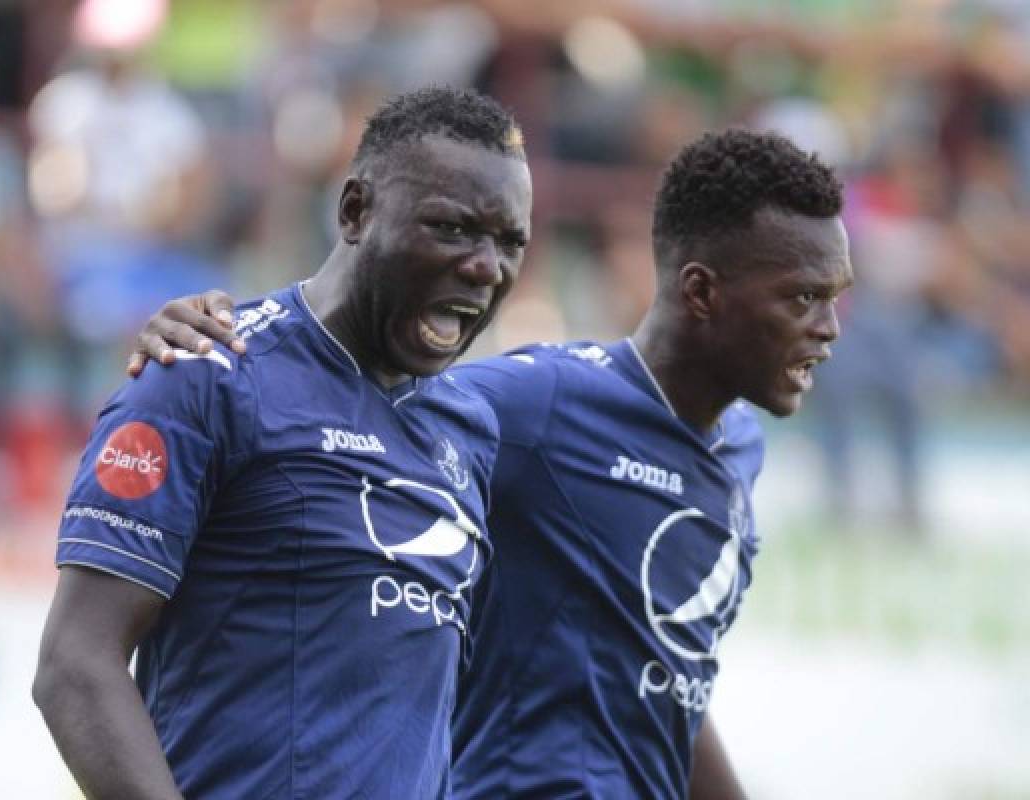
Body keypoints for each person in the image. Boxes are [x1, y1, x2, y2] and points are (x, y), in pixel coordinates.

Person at [134, 128, 853, 799]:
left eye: (834, 298)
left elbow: (665, 679)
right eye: (805, 298)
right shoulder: (544, 404)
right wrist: (228, 334)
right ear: (701, 291)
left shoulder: (739, 447)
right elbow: (359, 384)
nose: (829, 328)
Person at [32, 86, 532, 799]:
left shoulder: (471, 428)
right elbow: (74, 667)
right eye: (452, 229)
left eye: (511, 241)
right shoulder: (207, 374)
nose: (486, 266)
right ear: (356, 210)